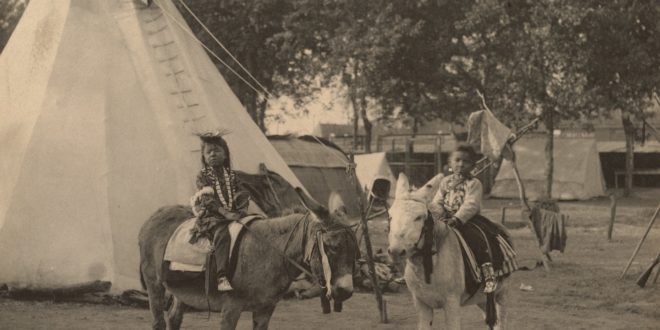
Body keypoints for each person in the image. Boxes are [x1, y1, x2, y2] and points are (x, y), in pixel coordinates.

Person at [429, 144, 515, 293]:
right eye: (457, 160)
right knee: (426, 236)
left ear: (473, 165)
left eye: (466, 161)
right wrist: (437, 214)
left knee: (477, 240)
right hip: (445, 219)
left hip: (467, 220)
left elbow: (471, 204)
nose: (461, 164)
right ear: (450, 163)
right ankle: (425, 269)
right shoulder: (445, 182)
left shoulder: (474, 184)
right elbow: (438, 201)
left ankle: (488, 275)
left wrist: (457, 219)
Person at [190, 130, 249, 291]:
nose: (213, 154)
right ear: (204, 156)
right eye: (208, 152)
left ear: (225, 154)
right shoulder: (202, 176)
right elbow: (208, 200)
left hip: (233, 213)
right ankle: (221, 276)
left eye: (217, 150)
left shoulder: (232, 175)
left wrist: (242, 210)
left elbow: (242, 193)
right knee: (222, 234)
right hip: (213, 217)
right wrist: (225, 213)